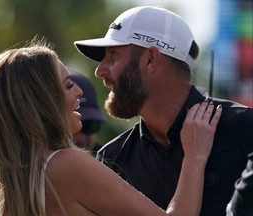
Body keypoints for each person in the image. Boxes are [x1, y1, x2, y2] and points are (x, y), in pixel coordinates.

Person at [0, 37, 222, 216]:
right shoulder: (65, 165)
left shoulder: (3, 195)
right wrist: (195, 156)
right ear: (43, 100)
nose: (80, 93)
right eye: (68, 85)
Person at [74, 6, 253, 216]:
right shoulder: (112, 160)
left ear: (150, 59)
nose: (99, 71)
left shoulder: (244, 127)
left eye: (113, 55)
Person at [70, 72, 106, 154]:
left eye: (88, 125)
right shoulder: (36, 165)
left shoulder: (116, 161)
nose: (80, 139)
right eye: (70, 128)